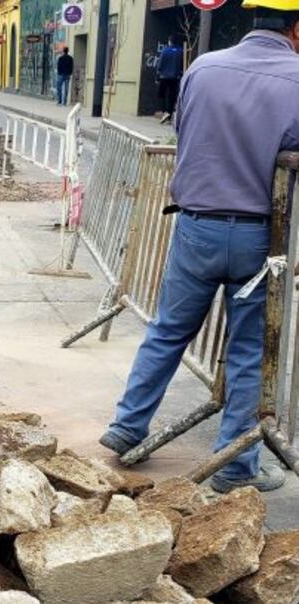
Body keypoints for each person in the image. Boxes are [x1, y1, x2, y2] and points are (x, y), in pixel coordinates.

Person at [99, 0, 299, 494]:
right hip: (259, 236)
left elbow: (184, 135)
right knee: (249, 349)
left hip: (197, 225)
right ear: (296, 27)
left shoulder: (203, 68)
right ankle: (235, 467)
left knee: (168, 330)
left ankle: (128, 426)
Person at [156, 36, 184, 124]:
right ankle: (169, 113)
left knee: (162, 94)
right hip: (175, 77)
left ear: (169, 42)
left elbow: (160, 64)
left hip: (164, 77)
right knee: (172, 96)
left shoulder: (165, 50)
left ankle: (164, 112)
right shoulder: (181, 51)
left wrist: (158, 75)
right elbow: (182, 64)